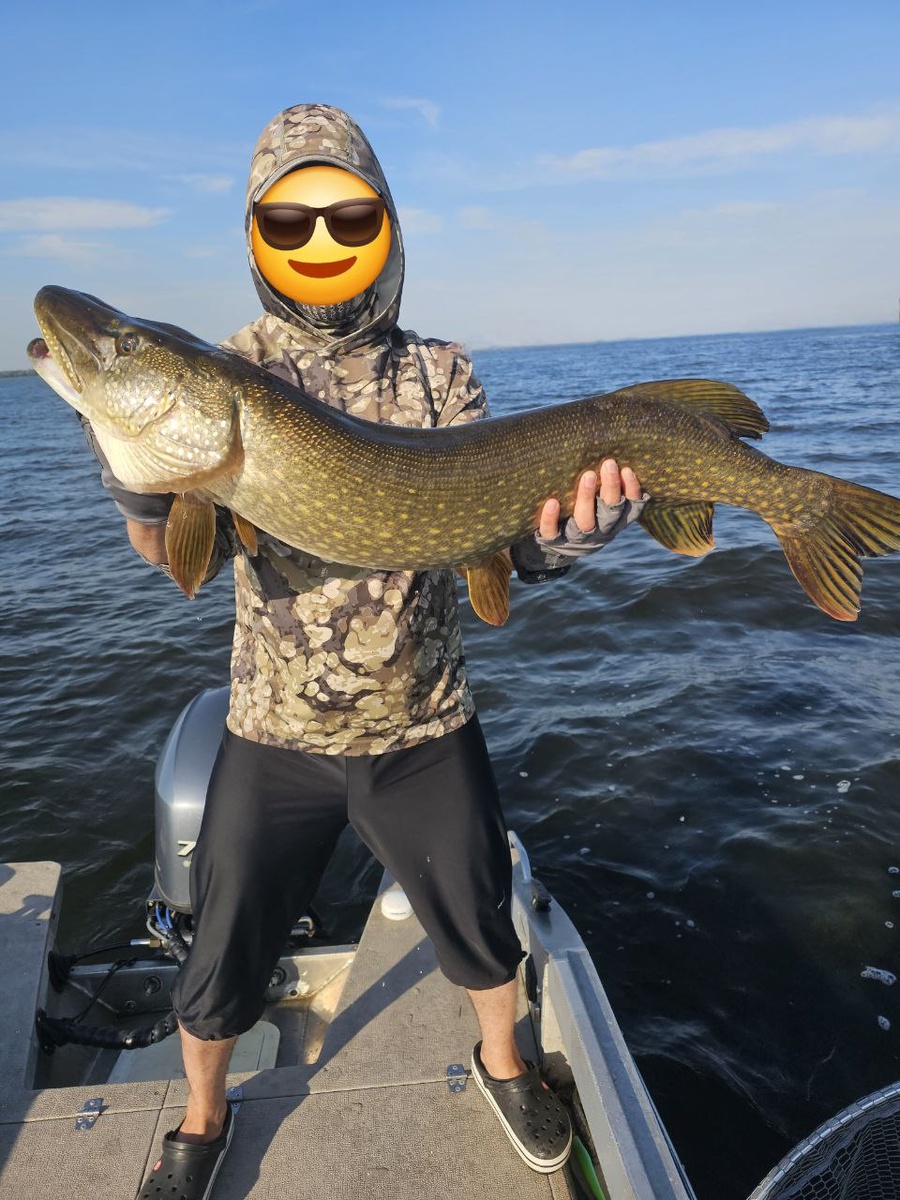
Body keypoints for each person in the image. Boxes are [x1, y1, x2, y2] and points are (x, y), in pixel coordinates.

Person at [86, 104, 645, 1199]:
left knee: (481, 923)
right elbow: (178, 555)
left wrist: (565, 540)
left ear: (385, 225)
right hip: (273, 729)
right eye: (289, 223)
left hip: (426, 720)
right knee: (223, 947)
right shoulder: (234, 367)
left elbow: (501, 552)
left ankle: (505, 1064)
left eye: (347, 218)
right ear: (257, 236)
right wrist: (138, 484)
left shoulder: (441, 373)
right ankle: (200, 1118)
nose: (321, 241)